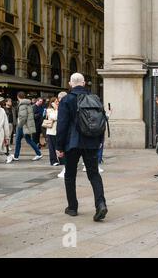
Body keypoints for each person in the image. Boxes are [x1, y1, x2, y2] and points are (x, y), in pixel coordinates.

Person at [56, 73, 108, 221]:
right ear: (84, 83)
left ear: (70, 83)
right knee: (94, 174)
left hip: (72, 144)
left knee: (70, 175)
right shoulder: (95, 99)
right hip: (91, 142)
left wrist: (59, 146)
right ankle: (101, 204)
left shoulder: (66, 100)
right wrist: (99, 141)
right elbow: (101, 121)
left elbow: (62, 125)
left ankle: (72, 207)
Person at [12, 92, 42, 161]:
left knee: (18, 140)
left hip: (22, 125)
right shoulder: (28, 104)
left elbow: (23, 117)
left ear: (17, 97)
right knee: (28, 140)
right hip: (26, 125)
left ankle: (16, 156)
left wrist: (19, 125)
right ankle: (38, 153)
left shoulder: (22, 105)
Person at [46, 97, 60, 166]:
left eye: (58, 101)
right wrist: (56, 109)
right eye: (56, 101)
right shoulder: (49, 110)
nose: (57, 103)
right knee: (52, 147)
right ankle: (53, 160)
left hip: (58, 131)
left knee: (59, 146)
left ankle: (61, 160)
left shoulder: (59, 109)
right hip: (51, 131)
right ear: (52, 103)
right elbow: (55, 117)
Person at [0, 99, 12, 164]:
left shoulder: (2, 111)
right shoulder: (2, 111)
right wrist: (7, 136)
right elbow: (5, 124)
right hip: (0, 131)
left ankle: (9, 155)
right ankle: (9, 155)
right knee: (2, 146)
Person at [57, 92, 68, 178]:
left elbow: (61, 124)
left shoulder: (63, 106)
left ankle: (65, 170)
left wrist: (59, 147)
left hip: (67, 135)